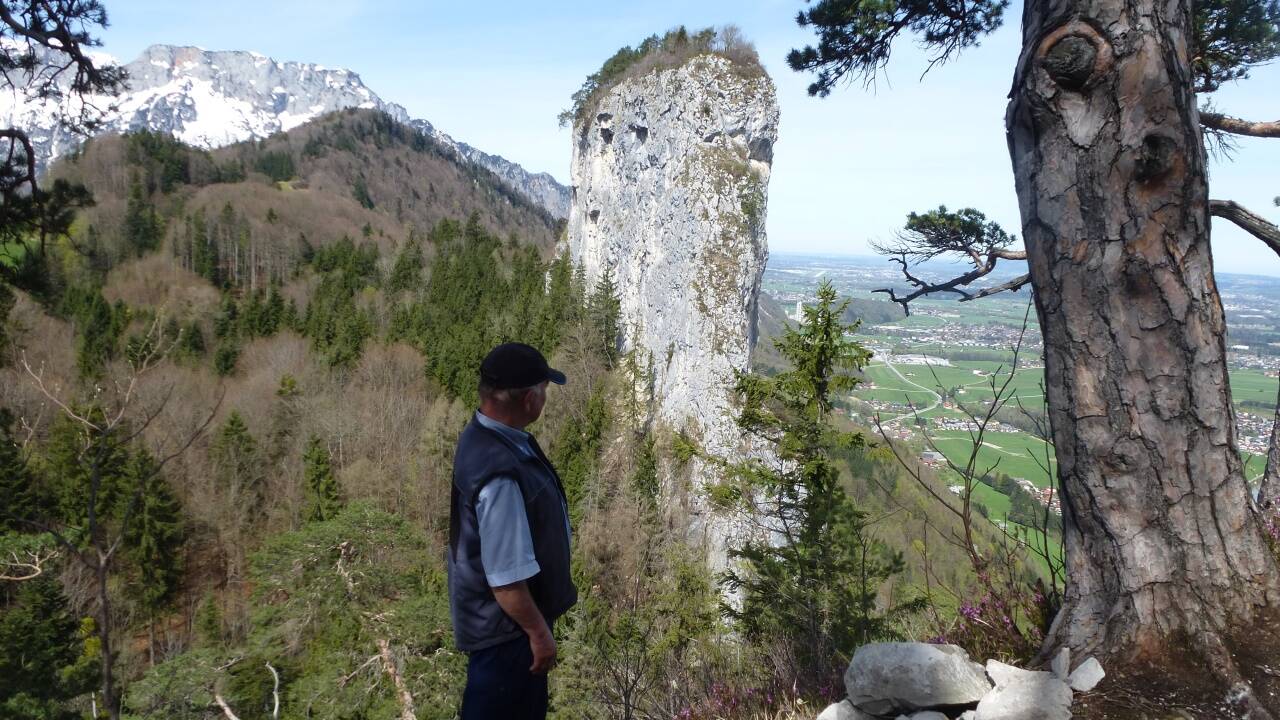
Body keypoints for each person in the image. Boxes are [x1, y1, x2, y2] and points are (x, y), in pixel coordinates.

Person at [447, 342, 577, 720]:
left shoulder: (486, 438)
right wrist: (538, 634)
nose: (545, 399)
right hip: (509, 637)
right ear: (529, 399)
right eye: (544, 390)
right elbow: (506, 579)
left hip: (501, 631)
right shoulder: (500, 474)